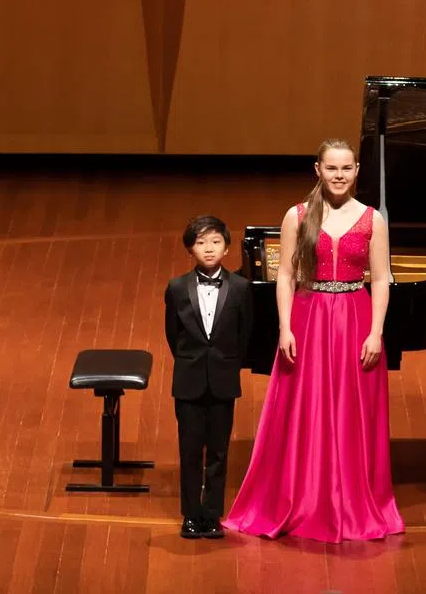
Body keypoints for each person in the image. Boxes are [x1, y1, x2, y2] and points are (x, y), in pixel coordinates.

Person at [224, 139, 404, 543]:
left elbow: (381, 280)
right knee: (305, 407)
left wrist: (376, 332)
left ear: (357, 170)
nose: (339, 176)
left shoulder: (373, 219)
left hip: (355, 319)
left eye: (346, 168)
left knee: (352, 409)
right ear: (317, 170)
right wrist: (285, 327)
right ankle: (302, 497)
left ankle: (351, 501)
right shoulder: (297, 215)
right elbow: (285, 275)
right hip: (310, 317)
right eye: (331, 168)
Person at [163, 215, 254, 539]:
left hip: (223, 380)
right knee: (189, 451)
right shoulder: (176, 288)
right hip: (188, 382)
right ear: (190, 249)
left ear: (227, 247)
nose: (209, 248)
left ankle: (212, 515)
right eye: (201, 242)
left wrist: (226, 363)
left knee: (218, 451)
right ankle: (190, 515)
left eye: (215, 241)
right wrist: (191, 361)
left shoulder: (242, 288)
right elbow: (173, 335)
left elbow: (245, 335)